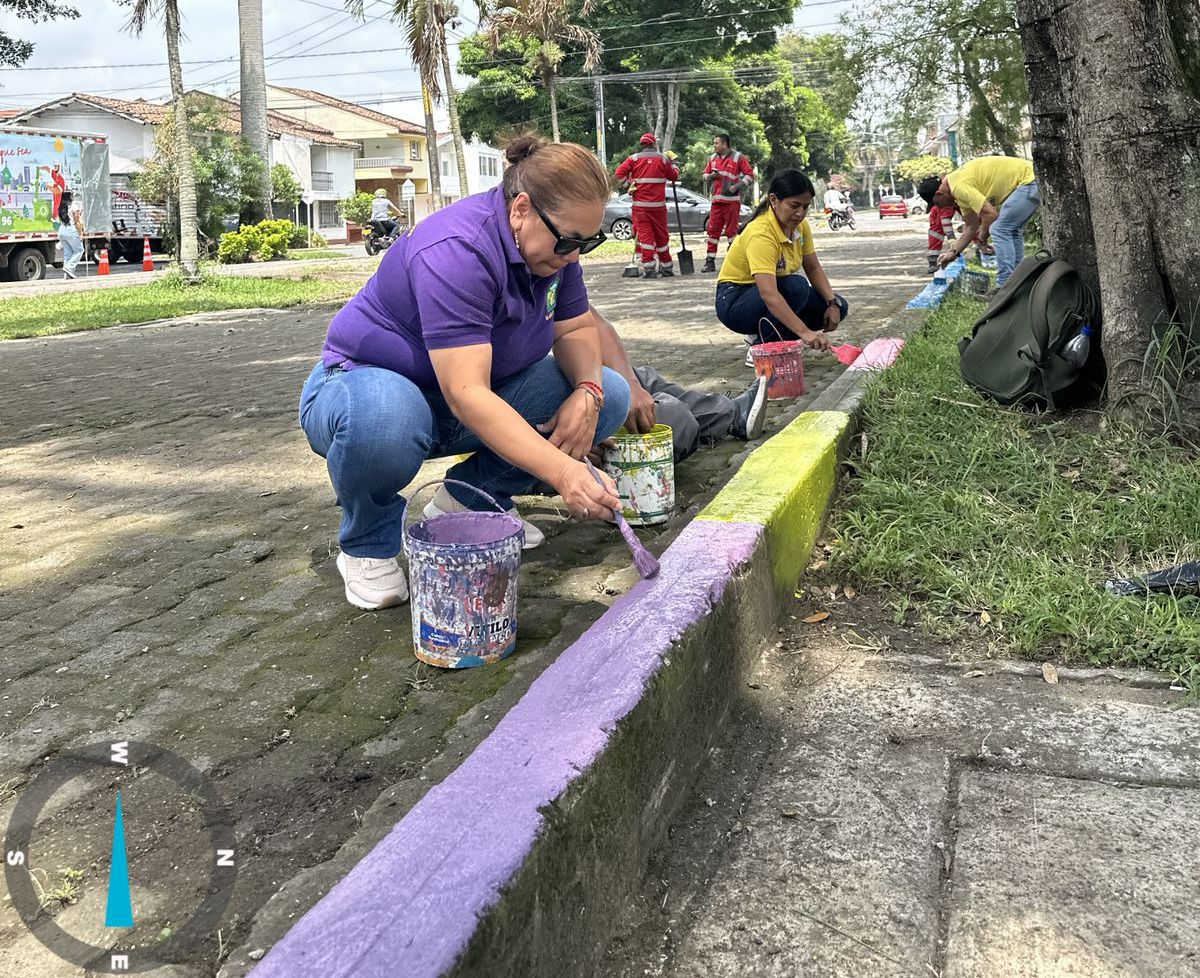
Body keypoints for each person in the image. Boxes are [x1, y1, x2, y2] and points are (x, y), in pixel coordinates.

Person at [299, 136, 631, 610]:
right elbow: (466, 394)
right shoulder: (458, 249)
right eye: (570, 241)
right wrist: (564, 473)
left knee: (612, 395)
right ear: (521, 209)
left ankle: (469, 499)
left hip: (464, 397)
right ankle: (367, 542)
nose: (576, 256)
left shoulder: (554, 252)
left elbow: (576, 326)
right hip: (366, 390)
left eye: (589, 242)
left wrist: (589, 391)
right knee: (385, 420)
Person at [590, 305, 769, 463]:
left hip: (585, 381)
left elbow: (590, 321)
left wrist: (630, 385)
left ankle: (733, 414)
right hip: (572, 417)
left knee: (642, 379)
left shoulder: (567, 273)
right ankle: (718, 419)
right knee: (677, 421)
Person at [715, 169, 848, 363]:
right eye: (794, 206)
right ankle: (762, 346)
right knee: (796, 286)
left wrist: (832, 304)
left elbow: (813, 268)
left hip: (770, 294)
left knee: (839, 306)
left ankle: (777, 337)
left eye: (805, 207)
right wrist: (805, 332)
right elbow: (769, 294)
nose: (800, 213)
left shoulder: (801, 227)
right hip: (735, 300)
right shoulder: (761, 233)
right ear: (774, 200)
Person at [917, 156, 1038, 288]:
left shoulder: (958, 187)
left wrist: (982, 237)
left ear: (939, 193)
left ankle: (1004, 286)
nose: (939, 207)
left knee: (1000, 229)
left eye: (936, 204)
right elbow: (971, 227)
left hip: (1029, 180)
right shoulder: (956, 192)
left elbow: (991, 214)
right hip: (1031, 180)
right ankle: (1017, 282)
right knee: (1011, 230)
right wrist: (953, 253)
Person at [614, 133, 680, 278]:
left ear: (642, 145)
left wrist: (628, 185)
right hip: (658, 207)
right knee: (662, 236)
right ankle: (667, 268)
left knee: (646, 237)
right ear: (654, 144)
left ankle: (649, 269)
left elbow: (618, 175)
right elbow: (674, 176)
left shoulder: (633, 159)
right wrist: (674, 163)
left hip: (640, 207)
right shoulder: (663, 159)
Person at [701, 134, 755, 273]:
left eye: (716, 143)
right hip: (717, 201)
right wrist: (712, 176)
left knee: (732, 232)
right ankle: (709, 261)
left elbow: (750, 175)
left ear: (725, 144)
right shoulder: (712, 158)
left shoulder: (738, 157)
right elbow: (705, 176)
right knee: (712, 231)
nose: (714, 145)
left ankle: (734, 261)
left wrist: (736, 187)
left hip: (731, 202)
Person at [56, 190, 85, 280]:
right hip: (71, 229)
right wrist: (81, 233)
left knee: (67, 253)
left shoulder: (61, 207)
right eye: (72, 195)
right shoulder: (74, 206)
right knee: (79, 250)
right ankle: (69, 267)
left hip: (61, 230)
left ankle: (67, 274)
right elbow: (77, 221)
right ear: (70, 197)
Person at [926, 200, 957, 274]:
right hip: (939, 213)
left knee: (935, 236)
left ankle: (933, 263)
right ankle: (933, 263)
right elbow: (945, 220)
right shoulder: (948, 204)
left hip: (936, 212)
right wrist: (951, 237)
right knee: (936, 235)